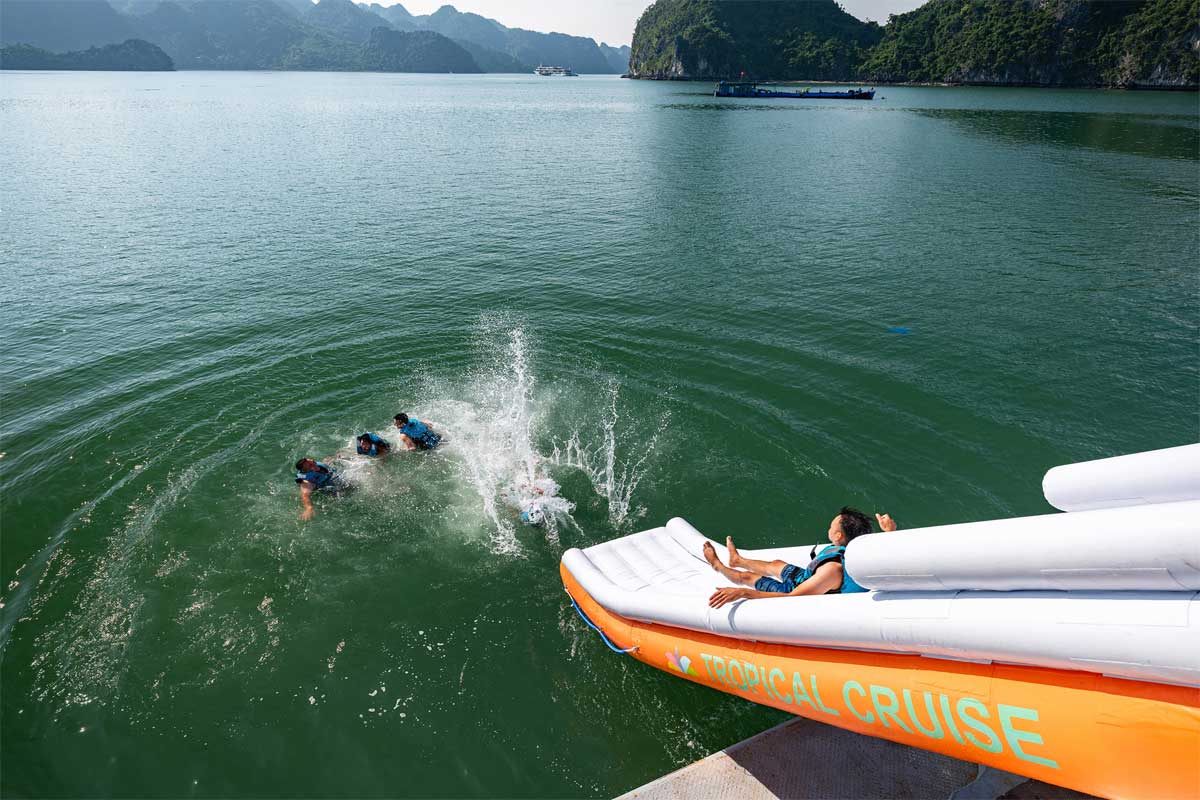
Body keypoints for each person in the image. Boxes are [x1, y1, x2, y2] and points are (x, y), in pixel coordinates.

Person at [705, 507, 897, 608]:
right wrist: (890, 531)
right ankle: (737, 560)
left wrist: (741, 593)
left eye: (832, 526)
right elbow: (886, 554)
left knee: (747, 577)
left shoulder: (831, 571)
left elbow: (791, 599)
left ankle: (718, 566)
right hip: (804, 577)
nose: (829, 527)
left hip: (796, 589)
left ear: (838, 536)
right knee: (776, 564)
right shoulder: (856, 548)